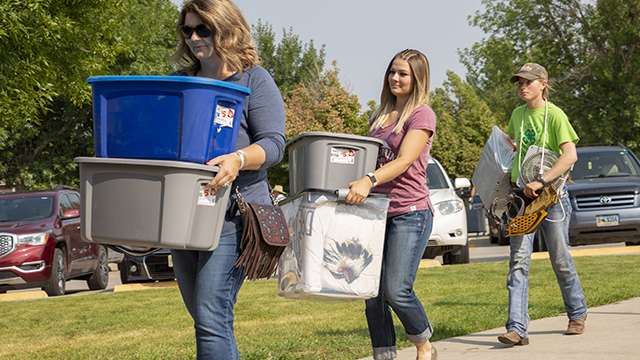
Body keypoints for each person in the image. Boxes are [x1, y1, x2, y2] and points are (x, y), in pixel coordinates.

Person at [170, 1, 285, 359]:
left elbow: (274, 144)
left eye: (202, 29)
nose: (193, 38)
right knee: (205, 314)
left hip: (234, 214)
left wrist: (238, 158)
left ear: (225, 28)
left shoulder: (253, 79)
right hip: (184, 213)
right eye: (187, 30)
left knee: (210, 314)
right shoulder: (181, 83)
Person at [346, 49, 438, 360]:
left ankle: (424, 343)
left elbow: (404, 160)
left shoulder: (422, 114)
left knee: (397, 290)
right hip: (378, 213)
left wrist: (368, 180)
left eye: (403, 74)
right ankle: (383, 355)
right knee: (372, 293)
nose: (395, 78)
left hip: (411, 213)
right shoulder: (379, 117)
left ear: (417, 79)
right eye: (392, 72)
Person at [498, 63, 588, 346]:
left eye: (528, 82)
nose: (522, 86)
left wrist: (542, 180)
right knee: (518, 262)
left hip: (552, 200)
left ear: (543, 84)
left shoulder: (556, 115)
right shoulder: (518, 115)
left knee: (560, 259)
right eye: (519, 82)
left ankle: (577, 312)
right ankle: (517, 329)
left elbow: (570, 155)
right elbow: (512, 144)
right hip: (523, 201)